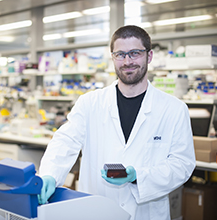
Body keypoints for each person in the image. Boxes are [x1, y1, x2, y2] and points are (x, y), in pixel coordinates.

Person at [38, 25, 196, 220]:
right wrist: (50, 174)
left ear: (150, 56)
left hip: (145, 213)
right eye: (120, 54)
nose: (127, 61)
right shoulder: (90, 103)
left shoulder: (174, 109)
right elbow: (65, 141)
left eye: (135, 53)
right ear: (112, 57)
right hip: (97, 211)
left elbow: (182, 164)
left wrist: (139, 176)